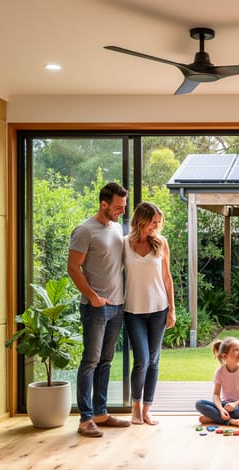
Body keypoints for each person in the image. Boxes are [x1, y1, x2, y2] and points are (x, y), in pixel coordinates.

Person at [67, 182, 130, 438]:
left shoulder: (116, 228)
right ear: (103, 204)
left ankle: (101, 413)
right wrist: (92, 296)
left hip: (117, 306)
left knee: (106, 361)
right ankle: (85, 419)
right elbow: (73, 267)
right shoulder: (85, 230)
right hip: (95, 308)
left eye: (123, 207)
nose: (121, 212)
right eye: (117, 207)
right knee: (91, 361)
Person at [124, 201, 176, 426]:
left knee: (154, 361)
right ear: (141, 220)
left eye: (158, 223)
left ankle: (147, 409)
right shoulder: (124, 244)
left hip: (158, 309)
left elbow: (167, 277)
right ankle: (135, 407)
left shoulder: (161, 243)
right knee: (141, 360)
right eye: (153, 222)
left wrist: (172, 310)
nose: (156, 226)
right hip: (133, 310)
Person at [195, 337, 239, 427]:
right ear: (224, 356)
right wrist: (221, 409)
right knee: (199, 404)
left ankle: (214, 418)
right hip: (225, 405)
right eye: (236, 350)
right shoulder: (220, 372)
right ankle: (231, 420)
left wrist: (235, 404)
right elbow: (216, 395)